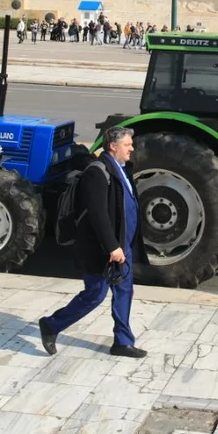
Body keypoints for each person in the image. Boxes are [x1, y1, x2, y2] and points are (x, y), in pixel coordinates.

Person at [39, 126, 148, 358]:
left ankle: (123, 342)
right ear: (113, 146)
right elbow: (98, 214)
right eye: (127, 144)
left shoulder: (124, 169)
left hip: (123, 246)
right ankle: (51, 325)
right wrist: (112, 246)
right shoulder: (97, 172)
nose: (132, 149)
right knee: (95, 294)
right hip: (103, 250)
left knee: (124, 291)